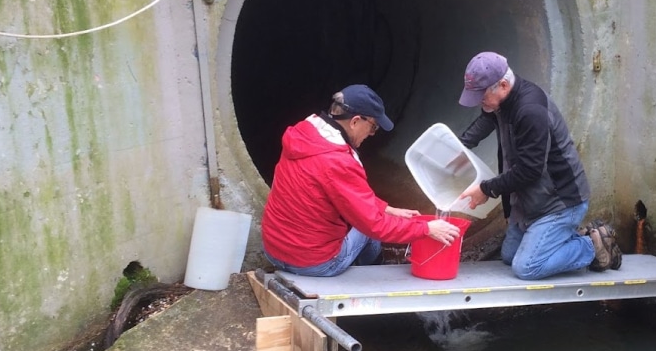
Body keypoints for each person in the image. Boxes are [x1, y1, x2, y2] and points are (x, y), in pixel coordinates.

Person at [262, 84, 461, 276]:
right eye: (372, 127)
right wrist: (426, 229)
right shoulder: (339, 161)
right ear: (355, 121)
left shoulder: (303, 134)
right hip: (313, 264)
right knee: (365, 230)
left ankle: (359, 264)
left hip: (274, 251)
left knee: (363, 217)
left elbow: (345, 194)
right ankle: (374, 272)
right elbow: (374, 224)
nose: (372, 134)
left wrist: (386, 209)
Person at [456, 52, 622, 280]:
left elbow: (530, 170)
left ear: (502, 85)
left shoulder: (530, 110)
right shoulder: (501, 102)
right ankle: (565, 238)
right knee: (509, 255)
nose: (478, 102)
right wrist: (459, 147)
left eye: (480, 96)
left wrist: (487, 189)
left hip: (560, 202)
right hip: (533, 201)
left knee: (526, 267)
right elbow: (487, 119)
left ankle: (592, 245)